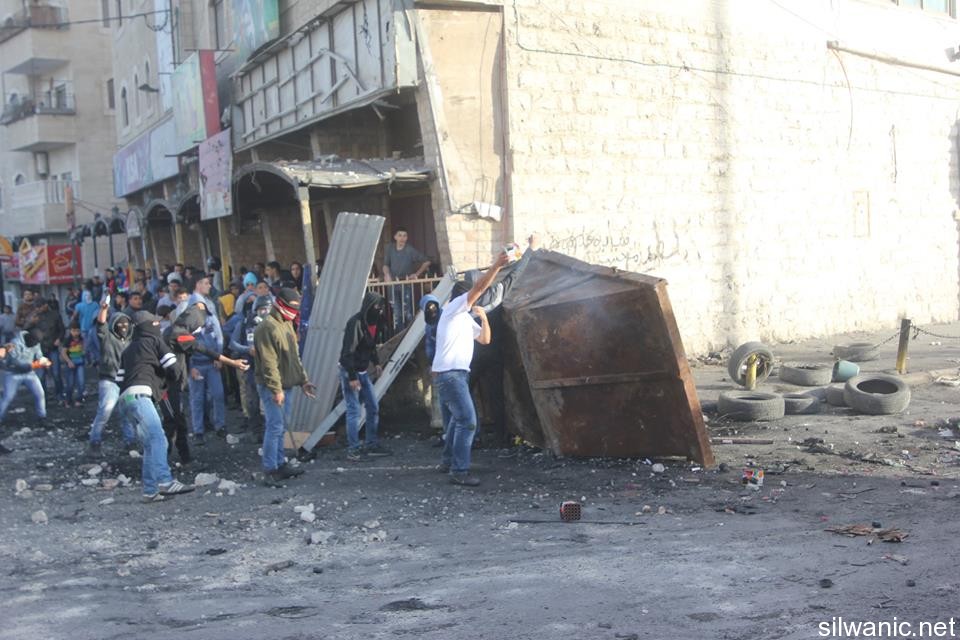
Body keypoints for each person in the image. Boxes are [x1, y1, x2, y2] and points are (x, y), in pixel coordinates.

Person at [433, 251, 508, 486]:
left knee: (457, 420)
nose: (475, 299)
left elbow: (485, 339)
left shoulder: (464, 318)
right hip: (451, 375)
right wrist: (497, 266)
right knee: (468, 421)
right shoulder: (453, 308)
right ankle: (459, 470)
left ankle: (448, 462)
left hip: (457, 375)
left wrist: (484, 318)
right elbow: (479, 287)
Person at [116, 312, 194, 502]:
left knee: (150, 444)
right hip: (141, 396)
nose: (158, 325)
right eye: (156, 322)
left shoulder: (128, 349)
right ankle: (165, 481)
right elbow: (174, 367)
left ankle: (150, 491)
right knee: (160, 439)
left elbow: (119, 379)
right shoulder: (154, 341)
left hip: (125, 400)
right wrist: (168, 381)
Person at [253, 288, 315, 484]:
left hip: (285, 385)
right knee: (274, 427)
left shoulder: (286, 323)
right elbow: (268, 363)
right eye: (291, 307)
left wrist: (303, 380)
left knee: (280, 428)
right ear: (280, 304)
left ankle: (280, 464)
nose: (294, 311)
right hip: (273, 387)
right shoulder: (267, 327)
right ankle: (270, 469)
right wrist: (276, 389)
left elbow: (294, 357)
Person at [338, 292, 391, 461]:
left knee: (373, 406)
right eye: (376, 306)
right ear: (368, 306)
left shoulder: (374, 323)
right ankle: (353, 450)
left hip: (362, 370)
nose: (379, 310)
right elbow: (348, 353)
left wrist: (376, 362)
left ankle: (371, 444)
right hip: (351, 371)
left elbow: (371, 346)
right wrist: (352, 377)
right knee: (354, 410)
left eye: (381, 307)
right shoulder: (355, 323)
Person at [87, 302, 134, 456]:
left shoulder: (131, 341)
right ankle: (95, 442)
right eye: (120, 324)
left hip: (126, 382)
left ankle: (130, 442)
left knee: (127, 413)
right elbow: (101, 324)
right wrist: (104, 309)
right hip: (109, 381)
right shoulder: (107, 338)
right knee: (105, 412)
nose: (123, 327)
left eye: (126, 324)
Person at [184, 274, 226, 443]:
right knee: (197, 398)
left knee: (218, 395)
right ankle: (198, 431)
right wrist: (190, 365)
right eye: (206, 283)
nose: (209, 286)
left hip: (211, 360)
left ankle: (220, 425)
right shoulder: (188, 309)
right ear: (197, 284)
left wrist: (219, 355)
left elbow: (218, 333)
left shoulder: (209, 305)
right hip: (197, 361)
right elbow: (184, 341)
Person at [230, 294, 271, 430]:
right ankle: (256, 429)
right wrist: (248, 349)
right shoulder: (244, 324)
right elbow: (233, 343)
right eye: (262, 309)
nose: (265, 312)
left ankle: (269, 427)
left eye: (267, 309)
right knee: (252, 398)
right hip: (251, 367)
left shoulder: (275, 325)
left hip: (270, 368)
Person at [383, 228, 431, 330]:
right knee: (397, 314)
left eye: (404, 236)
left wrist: (416, 274)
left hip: (406, 284)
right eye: (400, 235)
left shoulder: (409, 250)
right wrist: (387, 274)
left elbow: (427, 261)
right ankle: (399, 336)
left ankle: (409, 334)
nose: (402, 238)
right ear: (395, 237)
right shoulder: (390, 249)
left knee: (408, 313)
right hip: (393, 284)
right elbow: (385, 265)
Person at [0, 330, 51, 424]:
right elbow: (17, 363)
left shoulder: (36, 343)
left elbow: (39, 355)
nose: (35, 345)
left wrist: (44, 361)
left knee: (40, 394)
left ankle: (42, 417)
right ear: (29, 338)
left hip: (29, 373)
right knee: (8, 397)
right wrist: (35, 365)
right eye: (34, 342)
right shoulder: (15, 343)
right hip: (13, 373)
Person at [25, 297, 64, 398]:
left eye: (39, 307)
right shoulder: (34, 316)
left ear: (45, 305)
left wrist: (59, 339)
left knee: (56, 374)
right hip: (40, 349)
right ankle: (43, 396)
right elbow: (25, 329)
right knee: (41, 375)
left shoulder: (55, 315)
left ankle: (59, 394)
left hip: (52, 347)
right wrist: (30, 322)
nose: (37, 309)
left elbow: (62, 329)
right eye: (36, 308)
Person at [59, 322, 86, 407]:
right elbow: (63, 352)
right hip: (70, 364)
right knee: (70, 384)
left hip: (80, 363)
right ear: (70, 331)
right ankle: (68, 400)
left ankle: (79, 399)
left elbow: (83, 348)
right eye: (74, 331)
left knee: (81, 382)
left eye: (77, 331)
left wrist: (84, 352)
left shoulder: (81, 339)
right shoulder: (68, 340)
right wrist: (69, 362)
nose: (76, 333)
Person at [74, 291, 100, 367]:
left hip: (84, 328)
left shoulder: (79, 305)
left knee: (87, 345)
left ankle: (89, 360)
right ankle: (95, 359)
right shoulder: (95, 304)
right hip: (93, 327)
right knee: (95, 344)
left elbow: (74, 316)